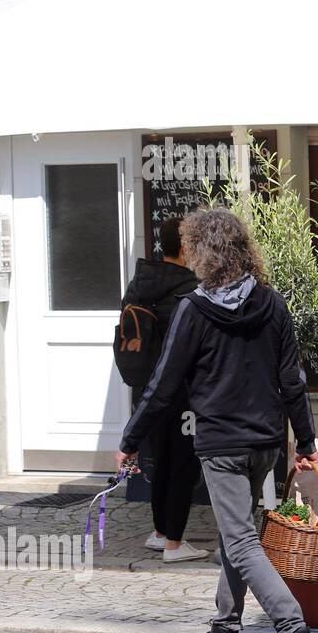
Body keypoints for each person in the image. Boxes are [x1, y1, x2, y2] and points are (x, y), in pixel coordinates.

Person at [116, 208, 318, 633]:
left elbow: (163, 385)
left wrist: (130, 440)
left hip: (222, 445)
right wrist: (305, 440)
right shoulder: (270, 303)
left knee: (243, 541)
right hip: (265, 445)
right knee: (237, 536)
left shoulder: (193, 308)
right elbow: (293, 380)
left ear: (201, 253)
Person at [119, 218, 208, 562]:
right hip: (182, 391)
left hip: (147, 390)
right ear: (186, 248)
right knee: (183, 463)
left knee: (160, 463)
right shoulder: (191, 288)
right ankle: (174, 543)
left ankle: (159, 533)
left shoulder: (140, 283)